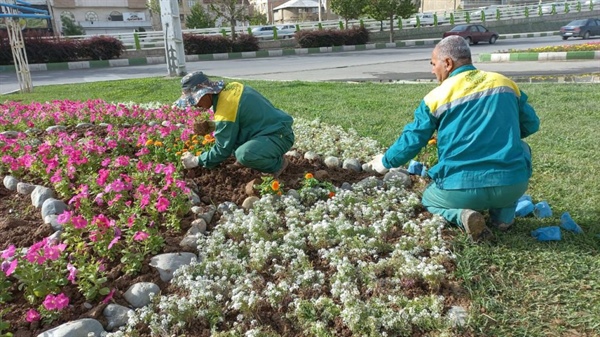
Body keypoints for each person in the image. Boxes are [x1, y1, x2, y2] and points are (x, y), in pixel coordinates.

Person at [366, 35, 540, 241]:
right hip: (512, 185)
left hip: (461, 189)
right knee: (521, 147)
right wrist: (498, 134)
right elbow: (531, 124)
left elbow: (414, 138)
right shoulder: (505, 84)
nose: (432, 70)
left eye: (433, 64)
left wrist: (385, 162)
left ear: (447, 63)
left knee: (430, 200)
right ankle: (503, 218)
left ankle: (462, 215)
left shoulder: (435, 98)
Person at [178, 71, 295, 176]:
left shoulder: (226, 108)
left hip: (279, 135)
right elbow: (243, 116)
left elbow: (222, 150)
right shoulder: (231, 88)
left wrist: (196, 161)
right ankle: (255, 154)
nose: (195, 105)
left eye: (195, 100)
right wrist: (215, 125)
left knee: (245, 155)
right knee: (232, 138)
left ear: (205, 93)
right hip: (272, 128)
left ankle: (278, 164)